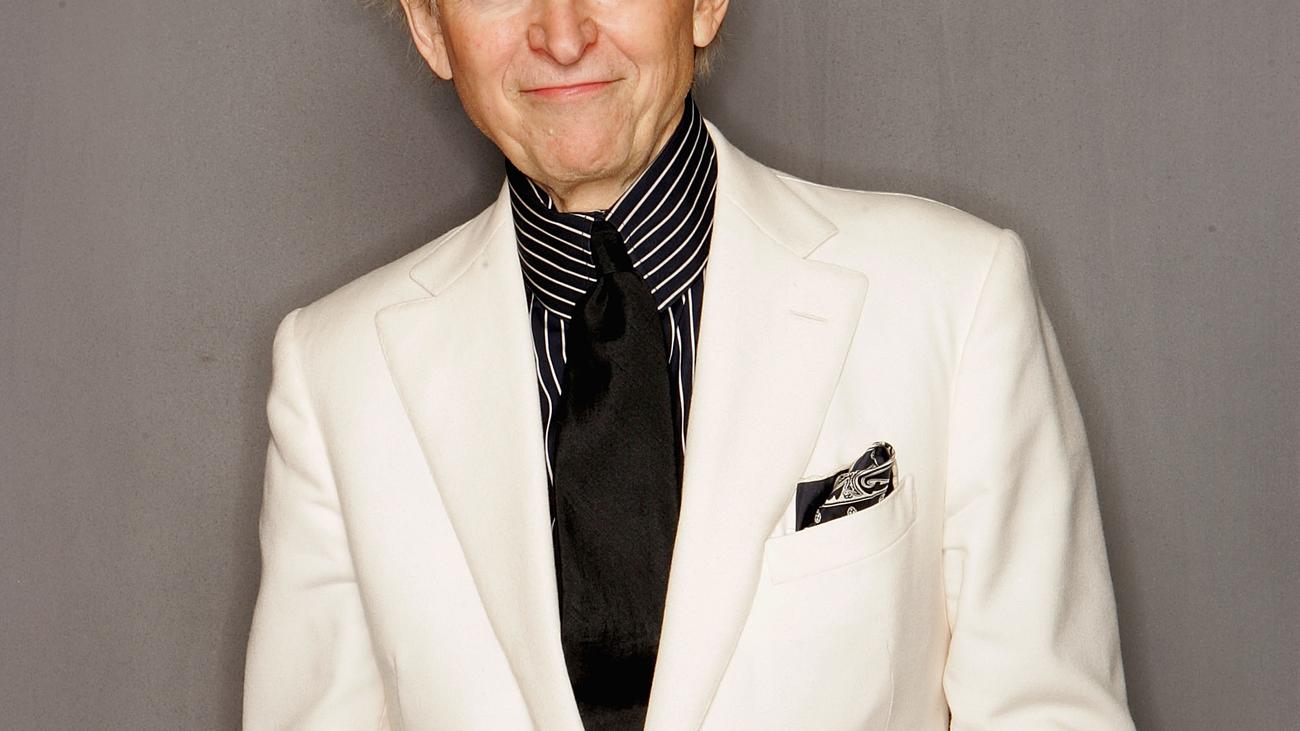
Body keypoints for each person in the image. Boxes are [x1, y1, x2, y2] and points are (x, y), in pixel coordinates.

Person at [243, 0, 1136, 728]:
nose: (562, 34)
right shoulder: (333, 375)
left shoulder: (954, 294)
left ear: (705, 3)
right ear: (430, 28)